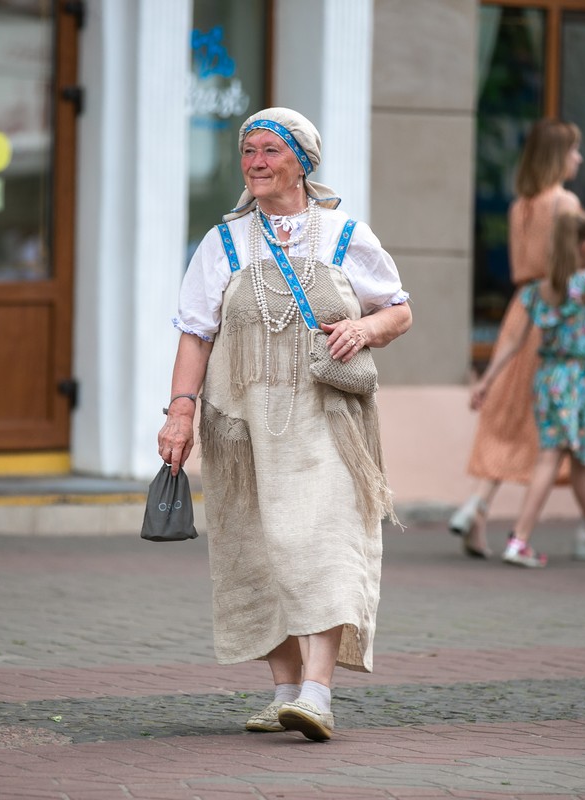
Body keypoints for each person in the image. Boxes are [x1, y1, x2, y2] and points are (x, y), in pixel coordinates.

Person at [157, 108, 412, 742]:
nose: (256, 163)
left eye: (270, 150)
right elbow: (195, 333)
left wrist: (364, 328)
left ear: (301, 161)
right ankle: (284, 693)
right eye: (248, 152)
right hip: (241, 427)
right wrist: (180, 412)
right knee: (256, 549)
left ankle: (317, 693)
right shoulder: (224, 242)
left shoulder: (345, 233)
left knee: (321, 543)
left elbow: (398, 310)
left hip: (328, 421)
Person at [453, 118, 585, 562]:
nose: (579, 158)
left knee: (510, 415)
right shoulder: (565, 202)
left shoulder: (519, 206)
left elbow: (519, 265)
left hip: (521, 309)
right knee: (584, 423)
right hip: (557, 311)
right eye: (574, 150)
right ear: (558, 156)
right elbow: (569, 263)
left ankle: (478, 505)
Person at [470, 211, 585, 567]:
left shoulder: (537, 290)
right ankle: (520, 539)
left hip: (548, 378)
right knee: (552, 457)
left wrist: (486, 381)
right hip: (578, 379)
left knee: (580, 459)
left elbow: (513, 342)